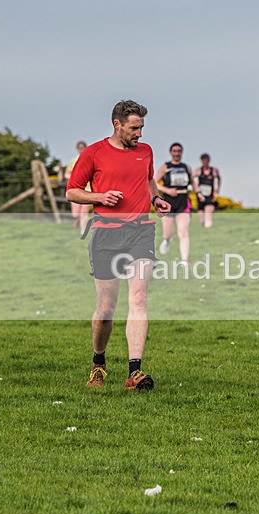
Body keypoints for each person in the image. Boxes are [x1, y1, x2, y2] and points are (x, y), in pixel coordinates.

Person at [66, 99, 171, 390]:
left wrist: (155, 199)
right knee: (105, 310)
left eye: (142, 127)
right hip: (106, 234)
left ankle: (134, 372)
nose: (140, 134)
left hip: (140, 232)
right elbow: (72, 192)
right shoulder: (94, 153)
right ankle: (98, 363)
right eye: (134, 128)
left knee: (138, 299)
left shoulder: (145, 151)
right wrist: (99, 197)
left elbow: (149, 180)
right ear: (117, 125)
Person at [155, 142, 199, 264]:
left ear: (181, 152)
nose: (177, 153)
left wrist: (198, 193)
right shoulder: (165, 167)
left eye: (179, 151)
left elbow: (193, 182)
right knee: (168, 233)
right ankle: (167, 240)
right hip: (168, 202)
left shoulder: (186, 167)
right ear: (170, 152)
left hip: (183, 201)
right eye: (174, 151)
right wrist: (167, 190)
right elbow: (154, 183)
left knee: (183, 232)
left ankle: (184, 261)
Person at [64, 140, 90, 234]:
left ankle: (83, 231)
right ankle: (77, 223)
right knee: (76, 214)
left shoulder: (90, 160)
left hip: (87, 190)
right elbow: (66, 174)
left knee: (84, 212)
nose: (81, 150)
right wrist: (74, 178)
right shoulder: (73, 161)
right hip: (75, 190)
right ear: (77, 149)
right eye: (79, 148)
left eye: (83, 148)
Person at [193, 152, 221, 228]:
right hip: (200, 195)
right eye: (203, 161)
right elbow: (191, 179)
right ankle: (204, 228)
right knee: (202, 219)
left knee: (208, 213)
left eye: (206, 161)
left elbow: (219, 178)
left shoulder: (214, 170)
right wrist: (197, 190)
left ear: (209, 161)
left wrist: (217, 190)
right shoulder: (198, 170)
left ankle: (208, 226)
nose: (205, 163)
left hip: (210, 195)